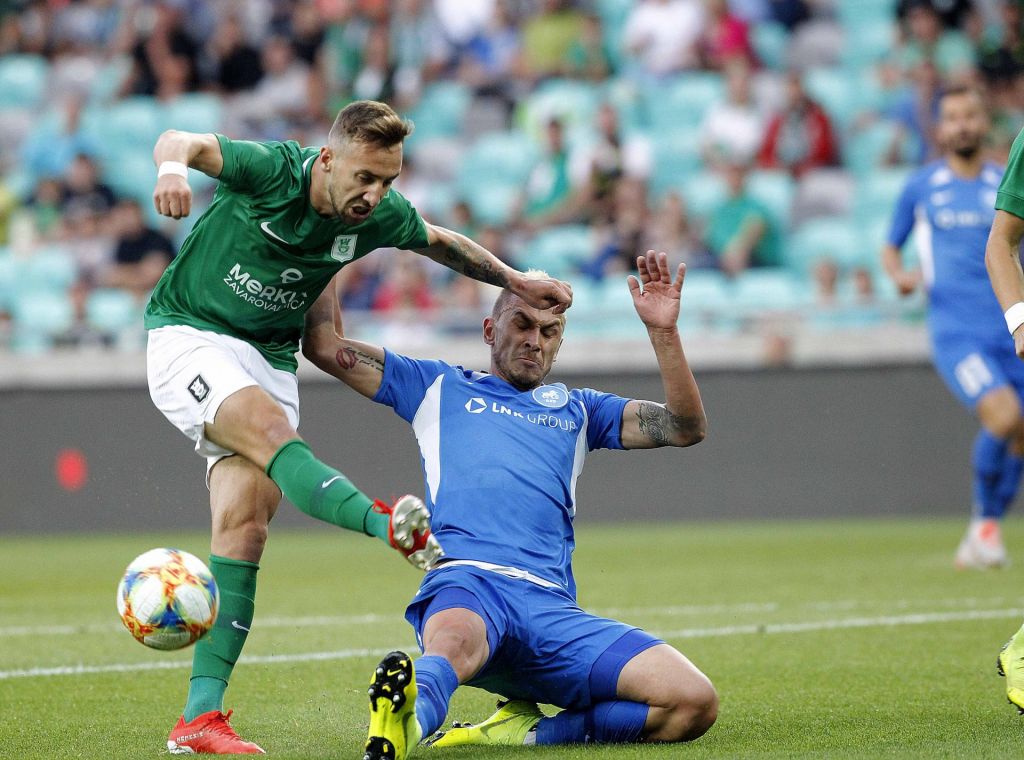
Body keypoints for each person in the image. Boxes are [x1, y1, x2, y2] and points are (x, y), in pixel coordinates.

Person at [146, 99, 572, 754]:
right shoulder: (274, 171)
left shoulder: (376, 219)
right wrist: (172, 170)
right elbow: (181, 140)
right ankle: (385, 525)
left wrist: (516, 278)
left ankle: (199, 720)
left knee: (246, 525)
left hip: (269, 358)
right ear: (328, 160)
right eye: (365, 177)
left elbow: (441, 243)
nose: (376, 194)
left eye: (389, 181)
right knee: (269, 434)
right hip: (191, 334)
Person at [302, 251, 717, 760]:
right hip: (468, 583)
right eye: (522, 324)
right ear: (488, 330)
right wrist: (326, 243)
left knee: (693, 703)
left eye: (549, 332)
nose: (533, 341)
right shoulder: (437, 386)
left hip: (552, 609)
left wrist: (663, 334)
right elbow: (325, 347)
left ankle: (523, 733)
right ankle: (401, 726)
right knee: (452, 644)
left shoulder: (581, 410)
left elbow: (685, 428)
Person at [881, 86, 1021, 571]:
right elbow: (890, 246)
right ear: (939, 128)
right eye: (953, 117)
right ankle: (984, 530)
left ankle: (984, 532)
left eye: (970, 116)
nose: (962, 125)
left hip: (1009, 324)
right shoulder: (922, 187)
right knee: (1003, 419)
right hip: (955, 331)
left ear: (984, 123)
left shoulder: (1005, 181)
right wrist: (900, 278)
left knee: (1022, 435)